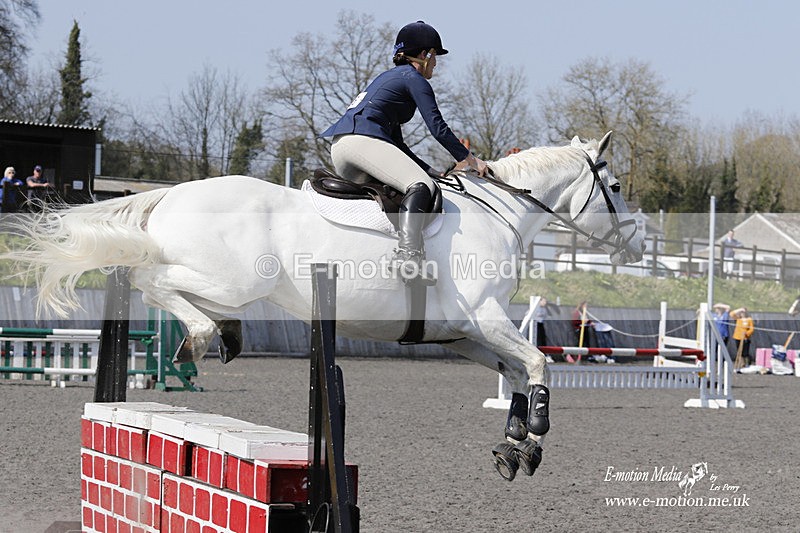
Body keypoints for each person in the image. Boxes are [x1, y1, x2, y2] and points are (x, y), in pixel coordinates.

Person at [320, 20, 488, 282]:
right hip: (361, 141)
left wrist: (429, 169)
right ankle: (409, 258)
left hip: (344, 146)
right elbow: (438, 127)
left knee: (405, 187)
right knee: (422, 186)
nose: (436, 64)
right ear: (425, 55)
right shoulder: (414, 79)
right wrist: (468, 159)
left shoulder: (389, 78)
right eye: (435, 57)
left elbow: (396, 145)